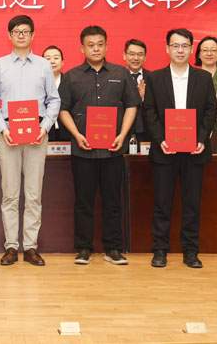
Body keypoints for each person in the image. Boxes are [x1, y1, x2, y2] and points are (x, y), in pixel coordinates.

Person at [58, 26, 139, 266]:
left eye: (100, 44)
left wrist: (122, 135)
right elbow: (62, 109)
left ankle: (113, 249)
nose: (96, 49)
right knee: (83, 201)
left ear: (106, 46)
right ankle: (84, 248)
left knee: (113, 201)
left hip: (113, 149)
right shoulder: (71, 76)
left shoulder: (121, 73)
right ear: (82, 48)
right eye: (90, 45)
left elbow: (132, 105)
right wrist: (76, 135)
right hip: (83, 150)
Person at [0, 15, 60, 266]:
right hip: (8, 133)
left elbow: (54, 100)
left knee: (33, 194)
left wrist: (44, 127)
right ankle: (10, 246)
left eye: (25, 31)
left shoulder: (43, 65)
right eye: (16, 31)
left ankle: (30, 247)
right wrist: (3, 127)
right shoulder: (0, 65)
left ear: (32, 35)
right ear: (9, 35)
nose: (21, 35)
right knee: (10, 194)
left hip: (37, 133)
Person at [143, 28, 217, 269]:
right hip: (165, 150)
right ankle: (160, 250)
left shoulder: (203, 78)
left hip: (195, 151)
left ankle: (191, 251)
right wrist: (160, 139)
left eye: (185, 46)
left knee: (192, 203)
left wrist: (202, 138)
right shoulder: (155, 78)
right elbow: (149, 111)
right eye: (175, 46)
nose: (180, 50)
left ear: (192, 49)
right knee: (162, 203)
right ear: (167, 49)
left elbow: (210, 110)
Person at [123, 39, 151, 145]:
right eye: (132, 54)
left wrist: (145, 99)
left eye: (140, 54)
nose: (136, 58)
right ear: (124, 56)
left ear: (145, 57)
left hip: (147, 133)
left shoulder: (153, 78)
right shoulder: (117, 78)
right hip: (122, 133)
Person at [43, 45, 69, 142]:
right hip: (44, 133)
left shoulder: (71, 82)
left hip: (67, 133)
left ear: (62, 62)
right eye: (48, 58)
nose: (52, 61)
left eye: (56, 58)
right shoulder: (37, 85)